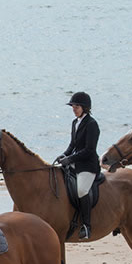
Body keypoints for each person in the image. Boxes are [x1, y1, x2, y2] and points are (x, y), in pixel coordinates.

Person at [55, 91, 100, 240]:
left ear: (84, 108)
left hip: (88, 165)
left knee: (81, 190)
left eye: (76, 107)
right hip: (75, 162)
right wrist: (64, 155)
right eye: (73, 107)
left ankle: (86, 226)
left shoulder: (92, 124)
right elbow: (72, 145)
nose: (74, 109)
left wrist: (70, 159)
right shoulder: (75, 123)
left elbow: (89, 150)